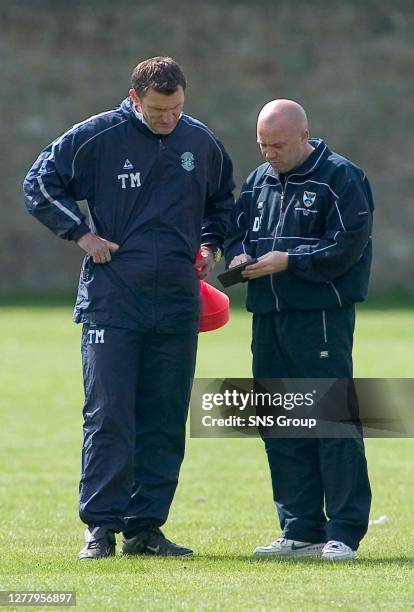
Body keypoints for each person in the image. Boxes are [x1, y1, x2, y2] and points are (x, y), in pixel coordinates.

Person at [23, 57, 234, 560]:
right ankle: (100, 528)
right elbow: (38, 184)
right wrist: (81, 234)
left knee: (163, 417)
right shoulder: (96, 137)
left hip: (178, 303)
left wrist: (210, 245)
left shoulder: (200, 141)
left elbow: (222, 202)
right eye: (160, 110)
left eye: (178, 108)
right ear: (135, 99)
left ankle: (146, 528)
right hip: (113, 301)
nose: (169, 119)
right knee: (110, 414)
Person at [225, 99, 373, 561]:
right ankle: (299, 529)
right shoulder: (257, 181)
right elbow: (236, 231)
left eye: (279, 145)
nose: (269, 153)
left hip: (320, 320)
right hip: (267, 319)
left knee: (331, 423)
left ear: (305, 136)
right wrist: (235, 257)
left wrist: (290, 261)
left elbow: (347, 246)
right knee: (279, 424)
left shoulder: (342, 178)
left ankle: (343, 532)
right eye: (262, 145)